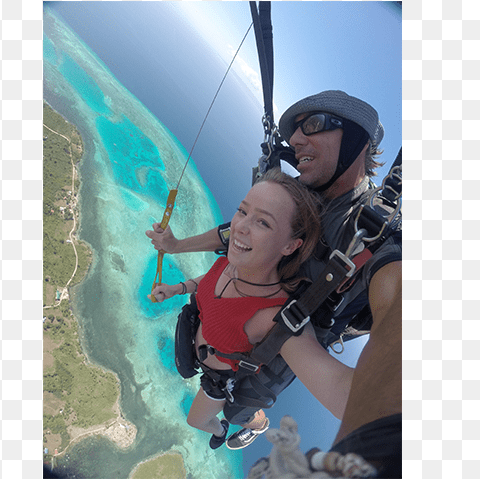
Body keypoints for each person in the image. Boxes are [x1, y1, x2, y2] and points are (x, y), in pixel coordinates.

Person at [147, 90, 401, 454]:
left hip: (273, 354)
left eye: (312, 126)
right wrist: (176, 247)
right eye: (295, 130)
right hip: (234, 326)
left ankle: (256, 425)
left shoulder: (376, 233)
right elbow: (234, 235)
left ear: (357, 141)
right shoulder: (299, 195)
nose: (295, 141)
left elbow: (398, 291)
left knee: (239, 410)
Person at [151, 170, 356, 451]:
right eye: (242, 211)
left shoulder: (273, 316)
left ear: (290, 245)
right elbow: (208, 284)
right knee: (197, 420)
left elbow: (342, 392)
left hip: (219, 380)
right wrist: (178, 288)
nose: (240, 227)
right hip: (198, 349)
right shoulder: (231, 263)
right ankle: (232, 425)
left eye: (262, 222)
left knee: (197, 421)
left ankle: (256, 424)